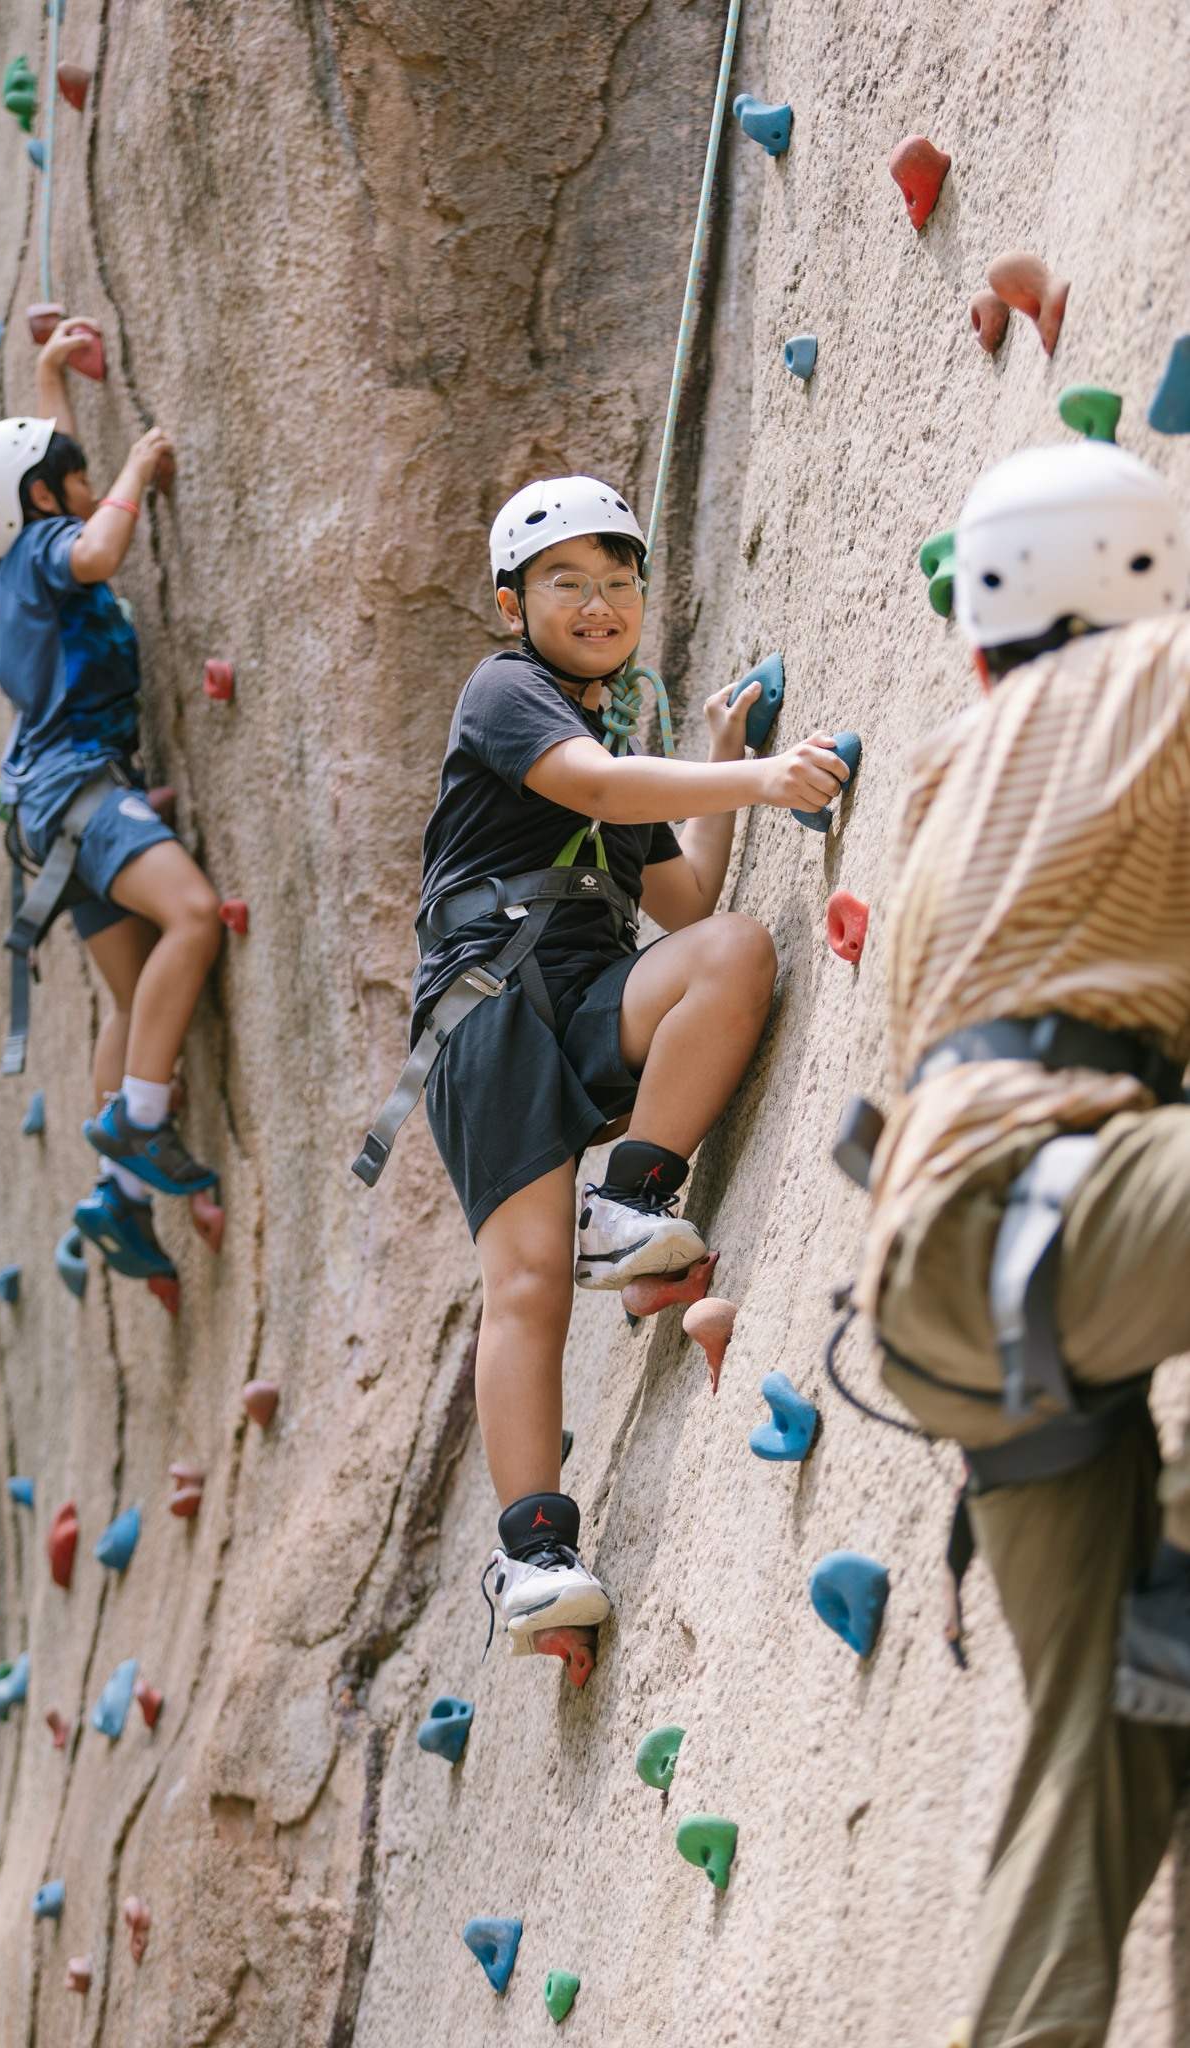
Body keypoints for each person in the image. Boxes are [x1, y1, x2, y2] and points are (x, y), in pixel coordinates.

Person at [371, 474, 849, 1662]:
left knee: (732, 953)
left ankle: (628, 1201)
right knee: (527, 1281)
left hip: (587, 998)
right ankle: (534, 1555)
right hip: (485, 1012)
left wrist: (725, 753)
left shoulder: (614, 749)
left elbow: (687, 897)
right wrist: (757, 776)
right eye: (567, 583)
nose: (599, 602)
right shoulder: (507, 694)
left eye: (619, 580)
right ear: (512, 603)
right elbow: (588, 786)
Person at [847, 441, 1190, 2046]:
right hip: (1047, 1208)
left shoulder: (947, 786)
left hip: (936, 1302)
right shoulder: (1152, 680)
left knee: (1089, 1765)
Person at [0, 318, 222, 1283]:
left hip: (49, 807)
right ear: (41, 499)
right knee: (193, 916)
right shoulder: (44, 550)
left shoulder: (15, 562)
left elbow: (46, 466)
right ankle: (138, 1122)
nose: (90, 480)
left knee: (133, 996)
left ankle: (118, 1199)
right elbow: (97, 548)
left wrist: (47, 373)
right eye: (77, 479)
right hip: (76, 787)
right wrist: (137, 469)